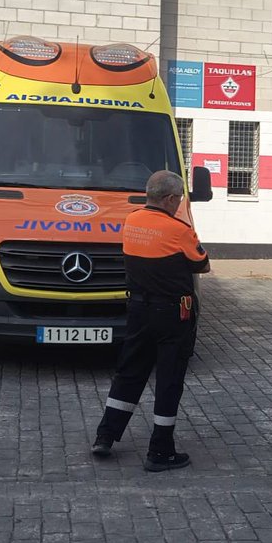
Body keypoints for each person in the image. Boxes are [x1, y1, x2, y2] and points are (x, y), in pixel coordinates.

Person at [91, 171, 210, 468]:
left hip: (138, 310)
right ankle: (161, 450)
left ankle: (105, 435)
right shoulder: (179, 229)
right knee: (169, 380)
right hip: (172, 313)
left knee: (129, 372)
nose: (179, 203)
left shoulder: (131, 220)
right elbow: (202, 264)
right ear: (170, 199)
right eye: (179, 198)